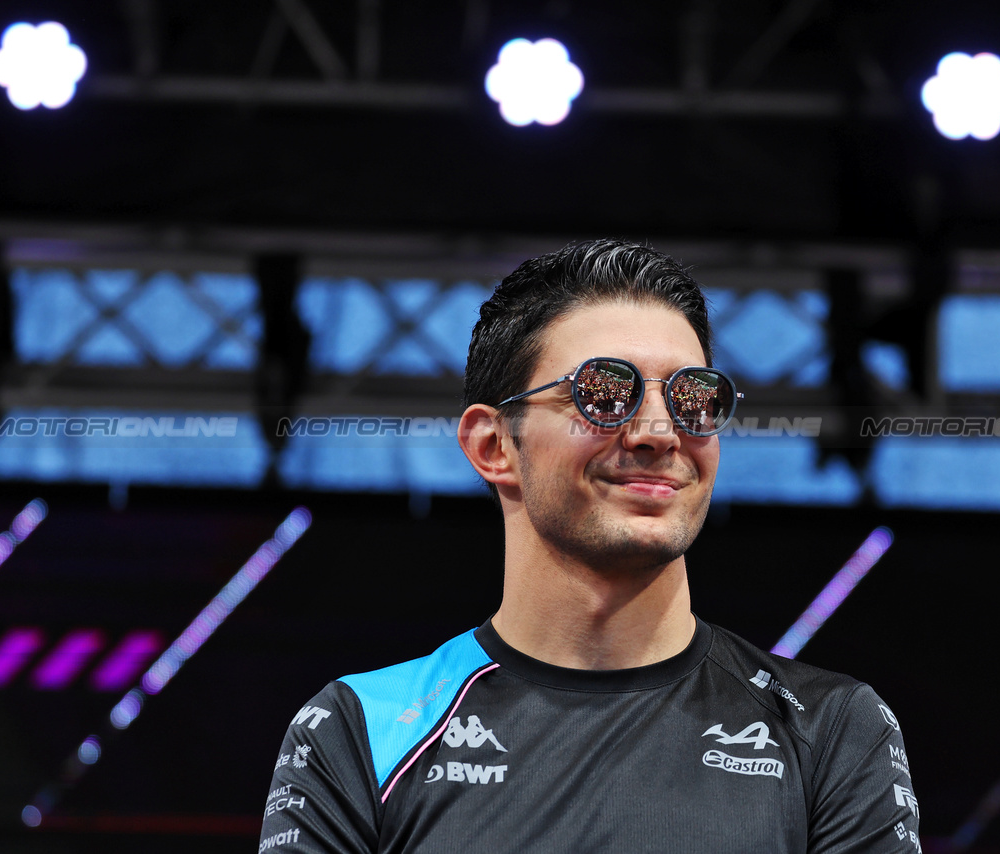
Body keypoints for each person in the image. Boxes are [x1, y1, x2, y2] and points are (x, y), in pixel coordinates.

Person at [259, 240, 921, 853]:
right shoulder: (359, 730)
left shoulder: (831, 730)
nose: (660, 432)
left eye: (694, 397)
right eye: (605, 393)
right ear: (493, 446)